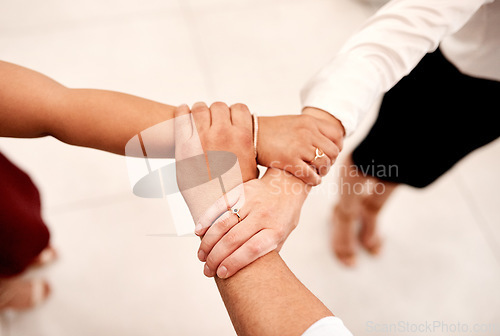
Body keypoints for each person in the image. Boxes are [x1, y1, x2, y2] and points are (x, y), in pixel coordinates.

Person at [297, 0, 500, 265]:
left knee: (418, 167)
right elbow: (408, 23)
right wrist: (322, 120)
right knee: (373, 157)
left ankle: (372, 209)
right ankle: (344, 214)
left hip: (493, 106)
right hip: (447, 73)